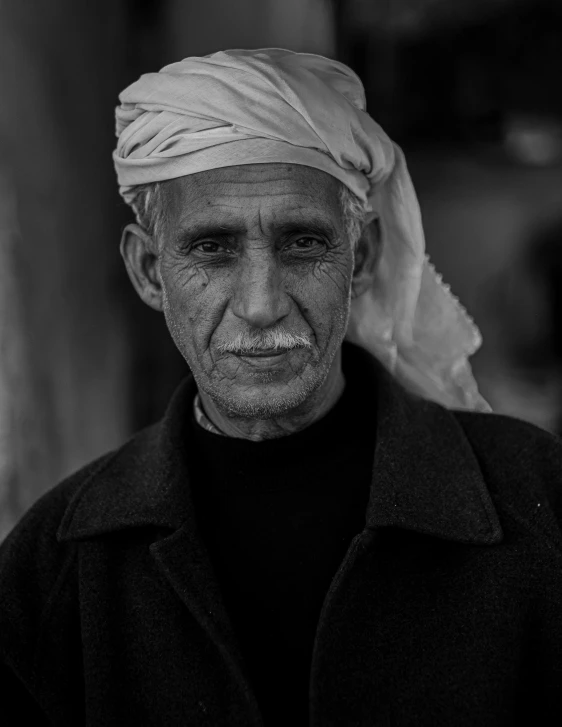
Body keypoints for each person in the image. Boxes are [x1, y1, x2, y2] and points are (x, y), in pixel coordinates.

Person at [1, 49, 561, 727]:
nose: (262, 303)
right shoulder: (55, 568)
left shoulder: (537, 501)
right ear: (150, 271)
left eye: (302, 243)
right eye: (213, 247)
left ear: (361, 259)